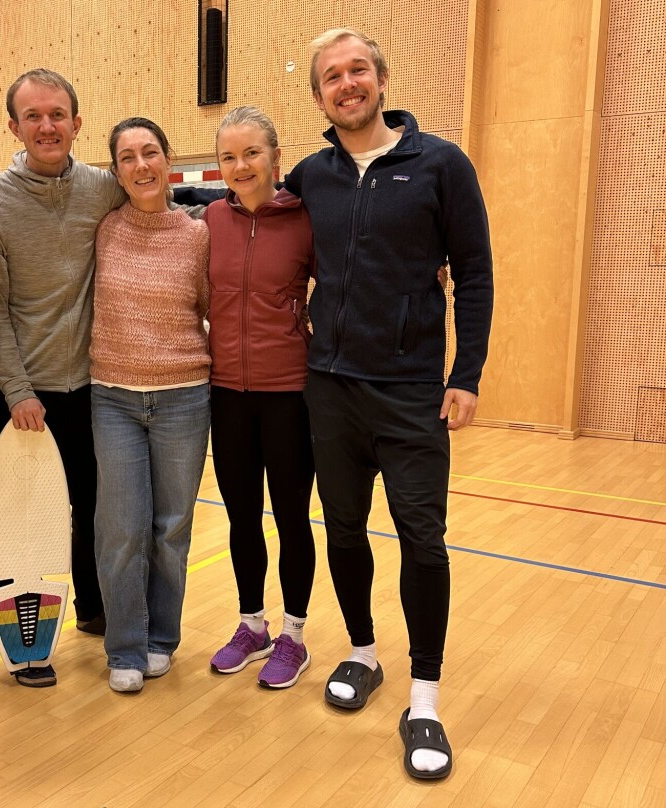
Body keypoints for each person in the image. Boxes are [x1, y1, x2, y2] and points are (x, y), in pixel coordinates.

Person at [284, 29, 493, 779]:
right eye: (332, 76)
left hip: (410, 394)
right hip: (329, 390)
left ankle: (425, 701)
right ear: (318, 96)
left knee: (422, 542)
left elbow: (473, 271)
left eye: (358, 70)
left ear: (381, 79)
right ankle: (363, 653)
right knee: (342, 531)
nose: (347, 84)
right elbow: (271, 244)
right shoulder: (310, 176)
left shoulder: (440, 164)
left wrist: (464, 373)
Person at [0, 69, 125, 684]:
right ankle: (29, 649)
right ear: (14, 126)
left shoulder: (104, 187)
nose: (47, 126)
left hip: (95, 389)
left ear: (77, 123)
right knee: (29, 522)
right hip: (27, 395)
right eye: (33, 116)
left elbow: (157, 209)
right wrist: (18, 391)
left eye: (58, 115)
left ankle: (94, 612)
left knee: (96, 507)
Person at [90, 118, 210, 693]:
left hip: (185, 397)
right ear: (115, 172)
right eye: (128, 157)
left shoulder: (198, 235)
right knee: (120, 528)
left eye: (151, 153)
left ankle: (162, 638)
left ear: (168, 161)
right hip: (112, 396)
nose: (141, 165)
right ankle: (125, 648)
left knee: (171, 528)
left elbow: (216, 306)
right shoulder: (101, 229)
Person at [203, 106, 316, 689]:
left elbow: (349, 284)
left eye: (251, 153)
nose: (241, 165)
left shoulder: (305, 219)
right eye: (229, 156)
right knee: (242, 516)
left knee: (292, 517)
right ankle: (253, 624)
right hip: (226, 395)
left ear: (276, 156)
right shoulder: (208, 222)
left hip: (290, 394)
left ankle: (294, 634)